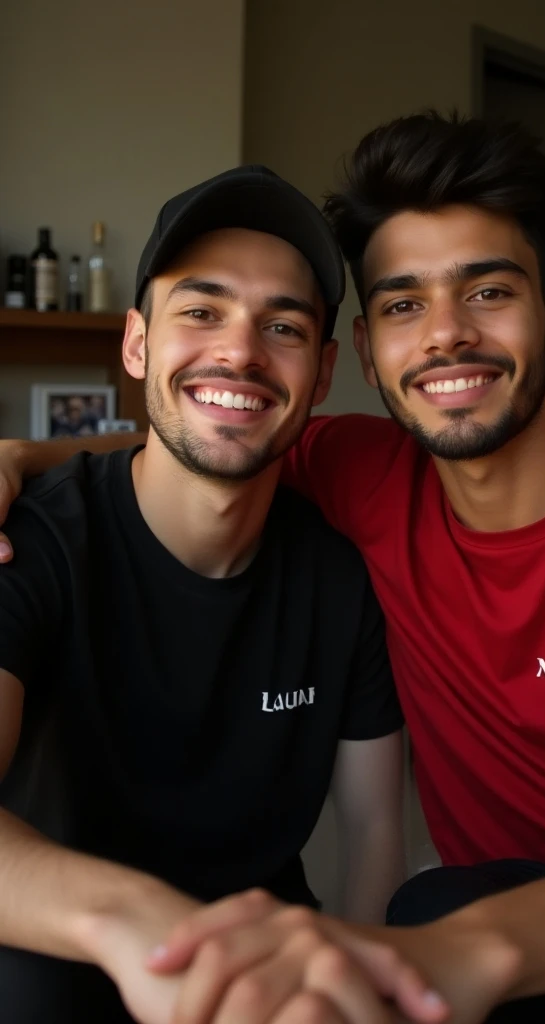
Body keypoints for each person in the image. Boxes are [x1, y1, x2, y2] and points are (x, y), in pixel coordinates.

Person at [1, 110, 545, 1023]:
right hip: (488, 928)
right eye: (403, 304)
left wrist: (455, 955)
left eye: (487, 291)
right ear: (364, 353)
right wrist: (21, 456)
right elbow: (212, 431)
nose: (445, 335)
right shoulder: (361, 477)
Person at [0, 165, 415, 1024]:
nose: (239, 351)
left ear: (325, 369)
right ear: (136, 344)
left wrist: (360, 979)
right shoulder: (29, 540)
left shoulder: (338, 578)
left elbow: (376, 828)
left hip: (262, 986)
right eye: (201, 311)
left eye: (283, 326)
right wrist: (152, 931)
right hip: (57, 954)